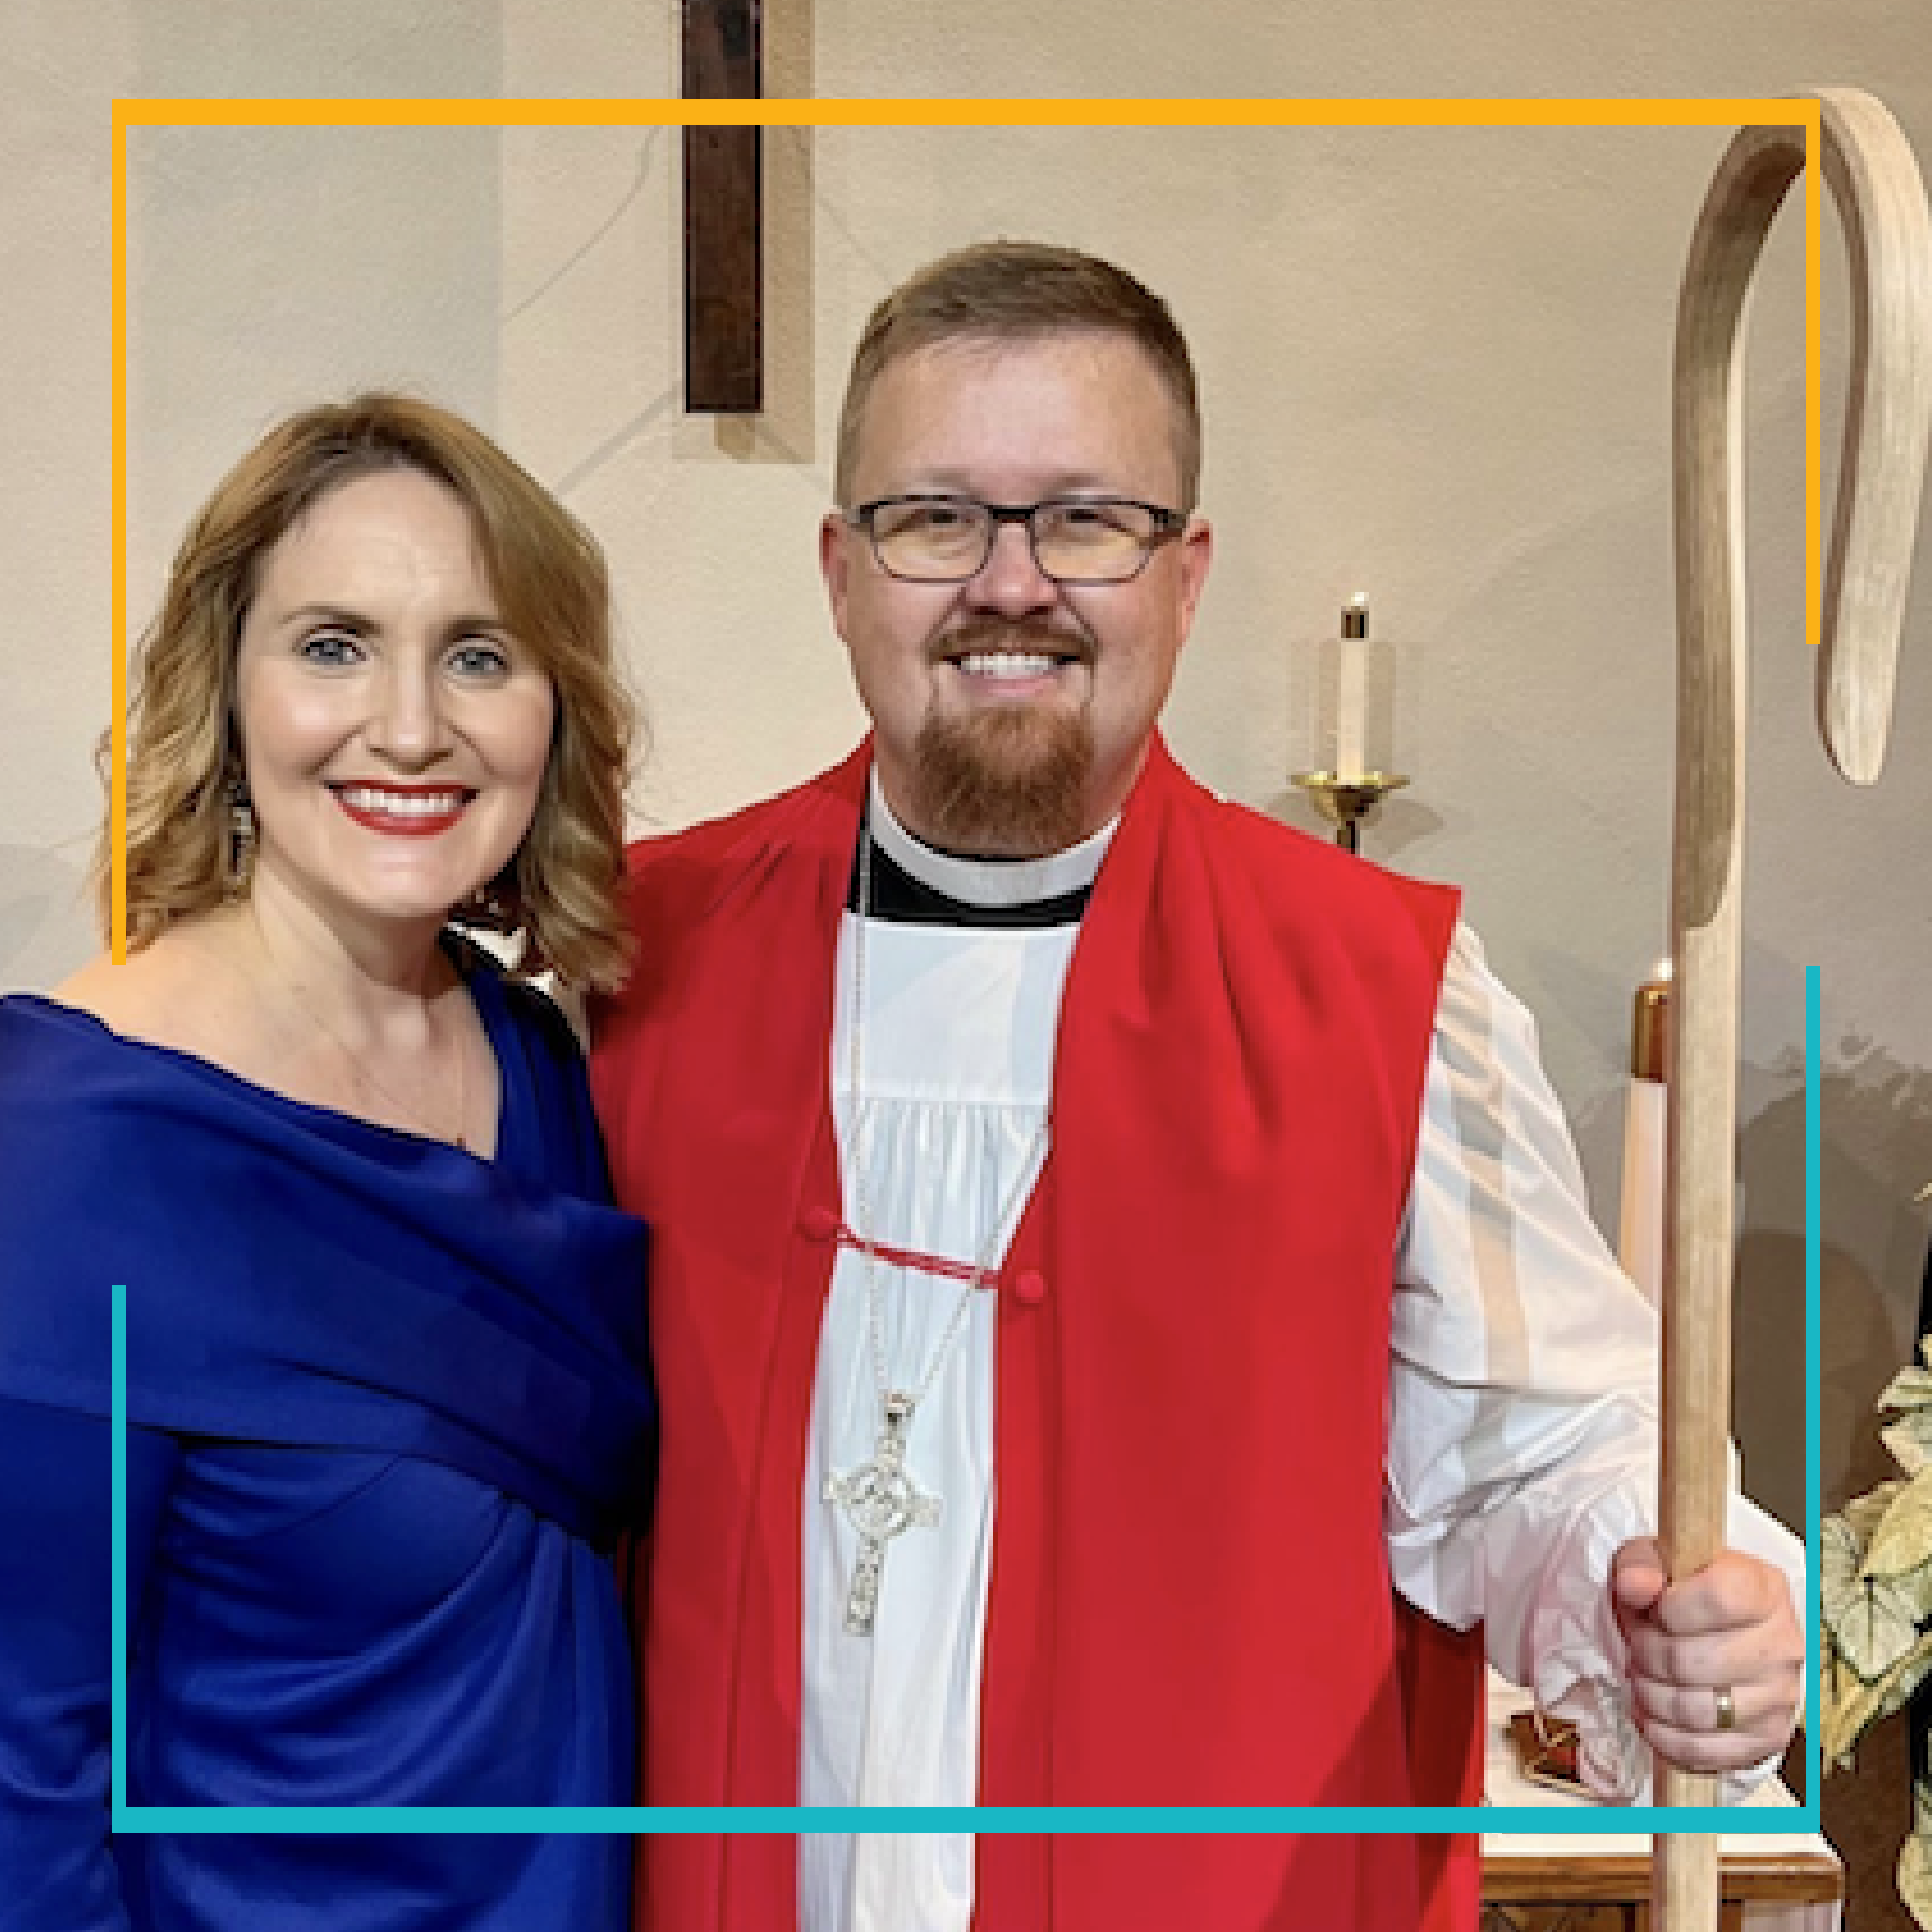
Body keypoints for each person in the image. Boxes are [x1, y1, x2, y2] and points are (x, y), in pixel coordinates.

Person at [590, 242, 1806, 1932]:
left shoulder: (1380, 993)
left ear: (1187, 573)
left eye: (1087, 518)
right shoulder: (634, 962)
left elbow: (1544, 1450)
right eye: (937, 517)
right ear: (842, 570)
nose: (1010, 584)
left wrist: (1674, 1592)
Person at [0, 396, 655, 1931]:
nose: (413, 726)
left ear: (552, 708)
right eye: (334, 644)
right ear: (225, 691)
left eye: (480, 654)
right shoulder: (69, 1139)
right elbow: (15, 1776)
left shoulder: (542, 1068)